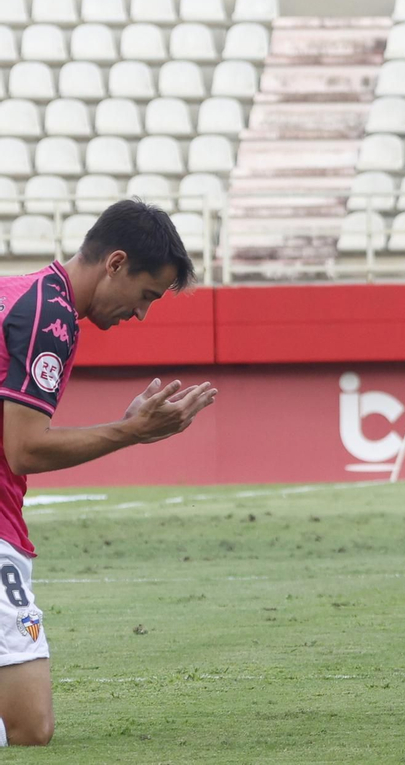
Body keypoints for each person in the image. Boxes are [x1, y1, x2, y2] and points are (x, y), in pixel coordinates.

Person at [0, 199, 218, 745]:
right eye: (146, 296)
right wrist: (131, 431)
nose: (140, 315)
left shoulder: (18, 293)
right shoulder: (49, 318)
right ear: (115, 263)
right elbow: (24, 450)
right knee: (29, 726)